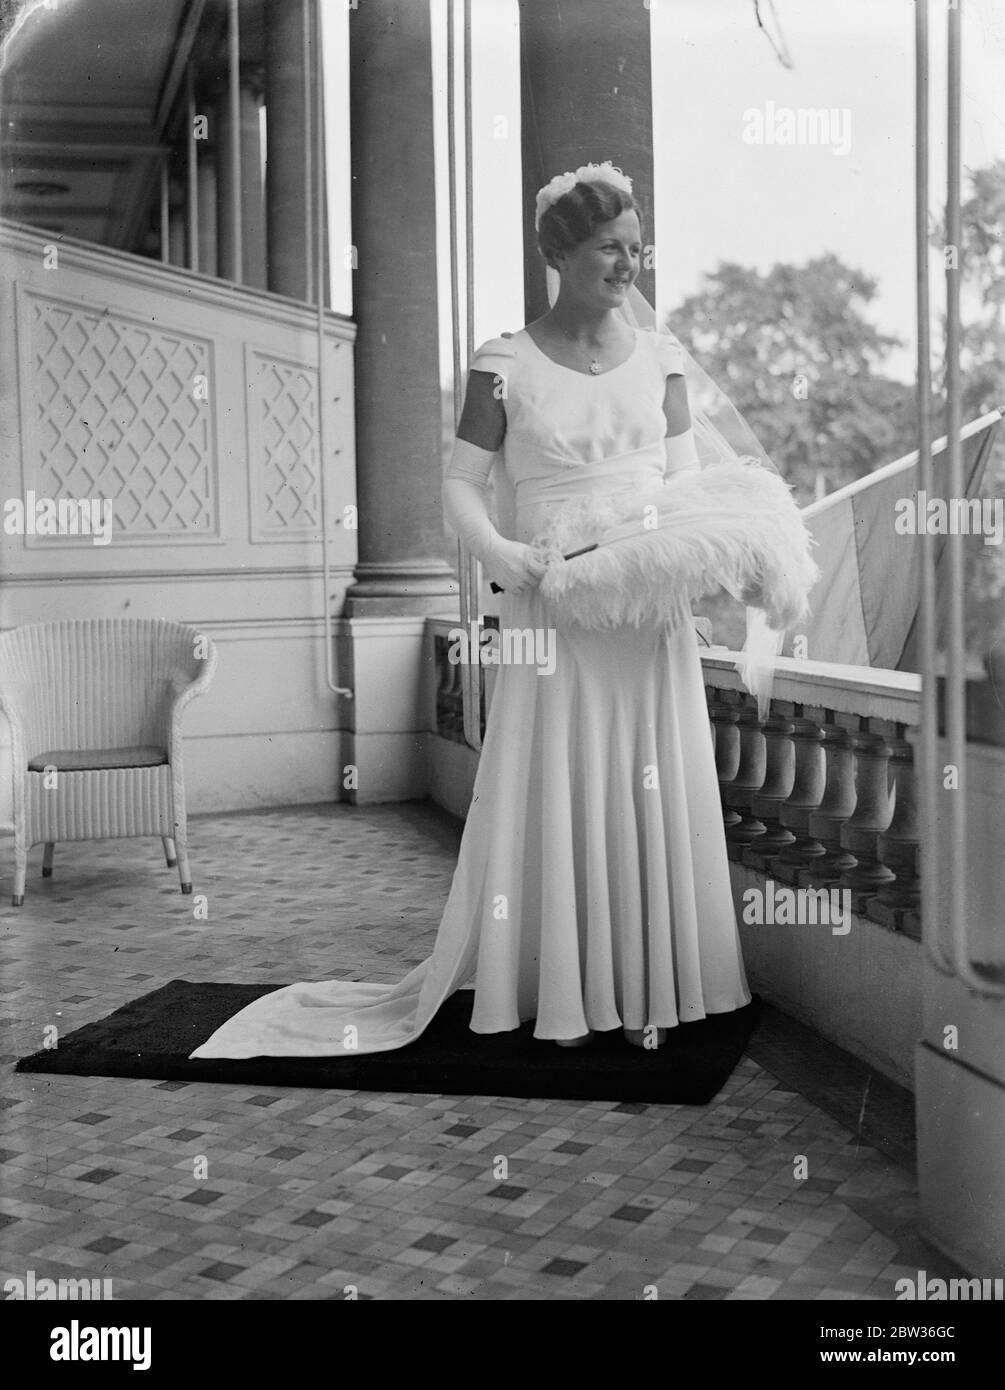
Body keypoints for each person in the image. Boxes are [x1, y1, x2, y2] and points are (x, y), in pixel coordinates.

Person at [192, 162, 808, 1062]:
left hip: (642, 617)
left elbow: (686, 492)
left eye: (637, 248)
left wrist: (693, 569)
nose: (629, 264)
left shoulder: (662, 362)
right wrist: (507, 557)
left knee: (646, 775)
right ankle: (557, 984)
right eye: (610, 248)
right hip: (548, 607)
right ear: (559, 253)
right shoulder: (505, 362)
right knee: (560, 779)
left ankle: (653, 981)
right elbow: (461, 487)